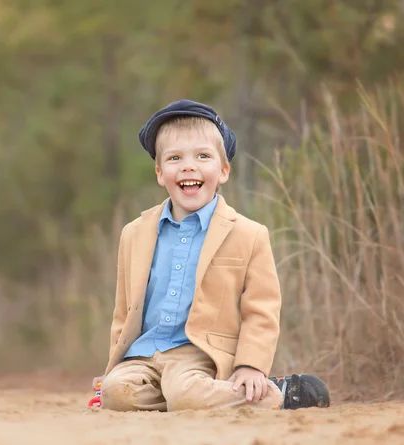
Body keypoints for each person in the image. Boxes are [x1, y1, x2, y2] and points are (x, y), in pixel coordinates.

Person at [91, 100, 330, 412]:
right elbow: (124, 311)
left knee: (184, 392)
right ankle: (199, 398)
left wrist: (250, 365)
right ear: (161, 173)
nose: (189, 166)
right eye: (175, 158)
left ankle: (275, 393)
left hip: (200, 353)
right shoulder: (134, 234)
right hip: (144, 354)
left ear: (224, 170)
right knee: (116, 393)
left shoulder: (248, 234)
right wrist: (114, 369)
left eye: (203, 156)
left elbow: (261, 309)